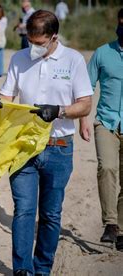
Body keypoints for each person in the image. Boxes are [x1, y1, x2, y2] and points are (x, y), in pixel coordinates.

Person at [0, 10, 93, 275]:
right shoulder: (19, 58)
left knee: (51, 215)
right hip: (23, 145)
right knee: (23, 210)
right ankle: (23, 270)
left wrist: (58, 111)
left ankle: (42, 269)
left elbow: (85, 105)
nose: (33, 47)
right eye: (30, 41)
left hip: (59, 146)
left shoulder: (74, 60)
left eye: (39, 43)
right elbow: (7, 93)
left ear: (54, 37)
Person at [79, 8, 123, 250]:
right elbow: (86, 88)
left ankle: (122, 229)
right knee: (106, 167)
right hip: (105, 122)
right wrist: (82, 119)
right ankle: (110, 223)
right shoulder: (102, 53)